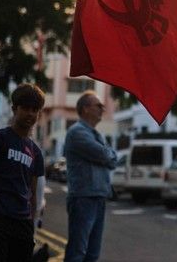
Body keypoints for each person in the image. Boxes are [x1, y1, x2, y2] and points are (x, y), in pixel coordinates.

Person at [0, 84, 46, 261]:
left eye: (35, 109)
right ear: (15, 108)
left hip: (22, 224)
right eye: (26, 108)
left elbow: (32, 192)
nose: (30, 113)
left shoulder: (36, 152)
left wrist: (31, 223)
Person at [64, 91, 117, 262]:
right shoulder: (77, 132)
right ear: (86, 109)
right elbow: (104, 155)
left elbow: (113, 159)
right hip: (83, 197)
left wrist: (107, 155)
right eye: (98, 106)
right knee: (77, 252)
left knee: (92, 254)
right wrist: (107, 155)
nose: (102, 109)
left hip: (98, 196)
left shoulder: (97, 134)